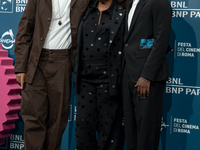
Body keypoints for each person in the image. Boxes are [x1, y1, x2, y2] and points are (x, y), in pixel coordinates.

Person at [14, 0, 93, 149]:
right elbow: (25, 29)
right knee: (33, 118)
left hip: (63, 61)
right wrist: (20, 68)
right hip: (36, 62)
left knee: (57, 121)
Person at [73, 0, 126, 149]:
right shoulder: (86, 11)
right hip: (84, 81)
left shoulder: (122, 13)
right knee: (83, 132)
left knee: (108, 133)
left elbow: (133, 42)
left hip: (109, 81)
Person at [122, 0, 172, 149]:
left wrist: (147, 76)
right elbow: (136, 41)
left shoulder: (159, 2)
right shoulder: (131, 3)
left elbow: (161, 40)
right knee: (130, 131)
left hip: (146, 78)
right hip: (127, 73)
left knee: (146, 134)